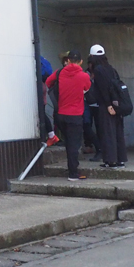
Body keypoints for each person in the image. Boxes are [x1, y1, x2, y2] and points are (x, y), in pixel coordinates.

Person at [46, 50, 91, 181]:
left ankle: (72, 170)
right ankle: (73, 173)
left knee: (68, 142)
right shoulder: (84, 76)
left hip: (60, 114)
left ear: (68, 60)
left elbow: (48, 82)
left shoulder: (59, 72)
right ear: (81, 62)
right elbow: (87, 89)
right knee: (74, 145)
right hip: (75, 115)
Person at [89, 44, 127, 168]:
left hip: (106, 105)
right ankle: (120, 159)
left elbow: (103, 89)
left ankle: (110, 160)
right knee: (118, 132)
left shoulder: (98, 70)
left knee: (107, 132)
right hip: (117, 104)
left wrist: (108, 105)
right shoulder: (111, 69)